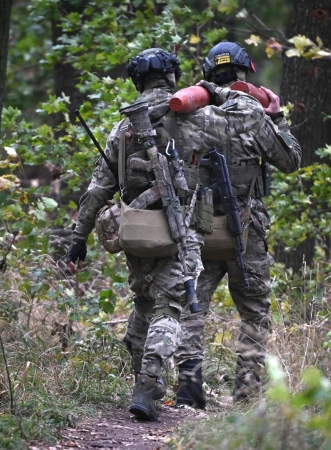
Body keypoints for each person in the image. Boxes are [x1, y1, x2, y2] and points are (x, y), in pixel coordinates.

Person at [67, 48, 273, 421]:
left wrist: (78, 237)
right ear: (174, 77)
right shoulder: (198, 116)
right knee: (169, 308)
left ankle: (144, 383)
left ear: (136, 81)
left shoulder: (123, 128)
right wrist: (219, 90)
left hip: (137, 231)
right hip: (182, 233)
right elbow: (249, 122)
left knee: (145, 305)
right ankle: (149, 387)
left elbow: (98, 188)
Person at [122, 42, 302, 408]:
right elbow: (291, 160)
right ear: (245, 73)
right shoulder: (251, 116)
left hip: (199, 223)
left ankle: (189, 388)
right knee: (253, 310)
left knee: (192, 304)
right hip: (247, 230)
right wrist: (278, 117)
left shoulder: (194, 114)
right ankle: (247, 395)